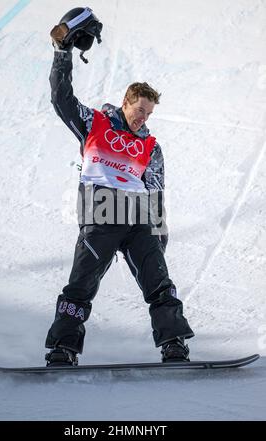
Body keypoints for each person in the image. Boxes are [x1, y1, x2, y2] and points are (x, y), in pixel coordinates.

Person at [45, 7, 194, 366]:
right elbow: (61, 99)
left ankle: (174, 343)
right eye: (139, 109)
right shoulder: (95, 124)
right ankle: (63, 348)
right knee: (80, 287)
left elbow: (155, 191)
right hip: (101, 215)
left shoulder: (150, 147)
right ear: (126, 102)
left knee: (160, 285)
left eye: (149, 113)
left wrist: (159, 234)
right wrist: (62, 54)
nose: (143, 118)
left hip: (139, 220)